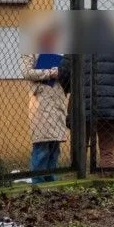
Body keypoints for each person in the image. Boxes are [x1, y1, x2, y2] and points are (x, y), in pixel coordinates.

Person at [58, 15, 114, 171]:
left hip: (82, 103)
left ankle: (80, 180)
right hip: (110, 104)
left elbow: (63, 71)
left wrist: (71, 88)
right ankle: (107, 181)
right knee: (107, 151)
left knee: (81, 146)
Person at [21, 20, 67, 184]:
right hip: (41, 100)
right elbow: (27, 72)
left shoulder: (60, 53)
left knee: (54, 144)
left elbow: (66, 72)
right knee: (42, 144)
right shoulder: (31, 50)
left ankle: (51, 179)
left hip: (58, 99)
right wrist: (49, 73)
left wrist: (64, 73)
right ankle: (38, 181)